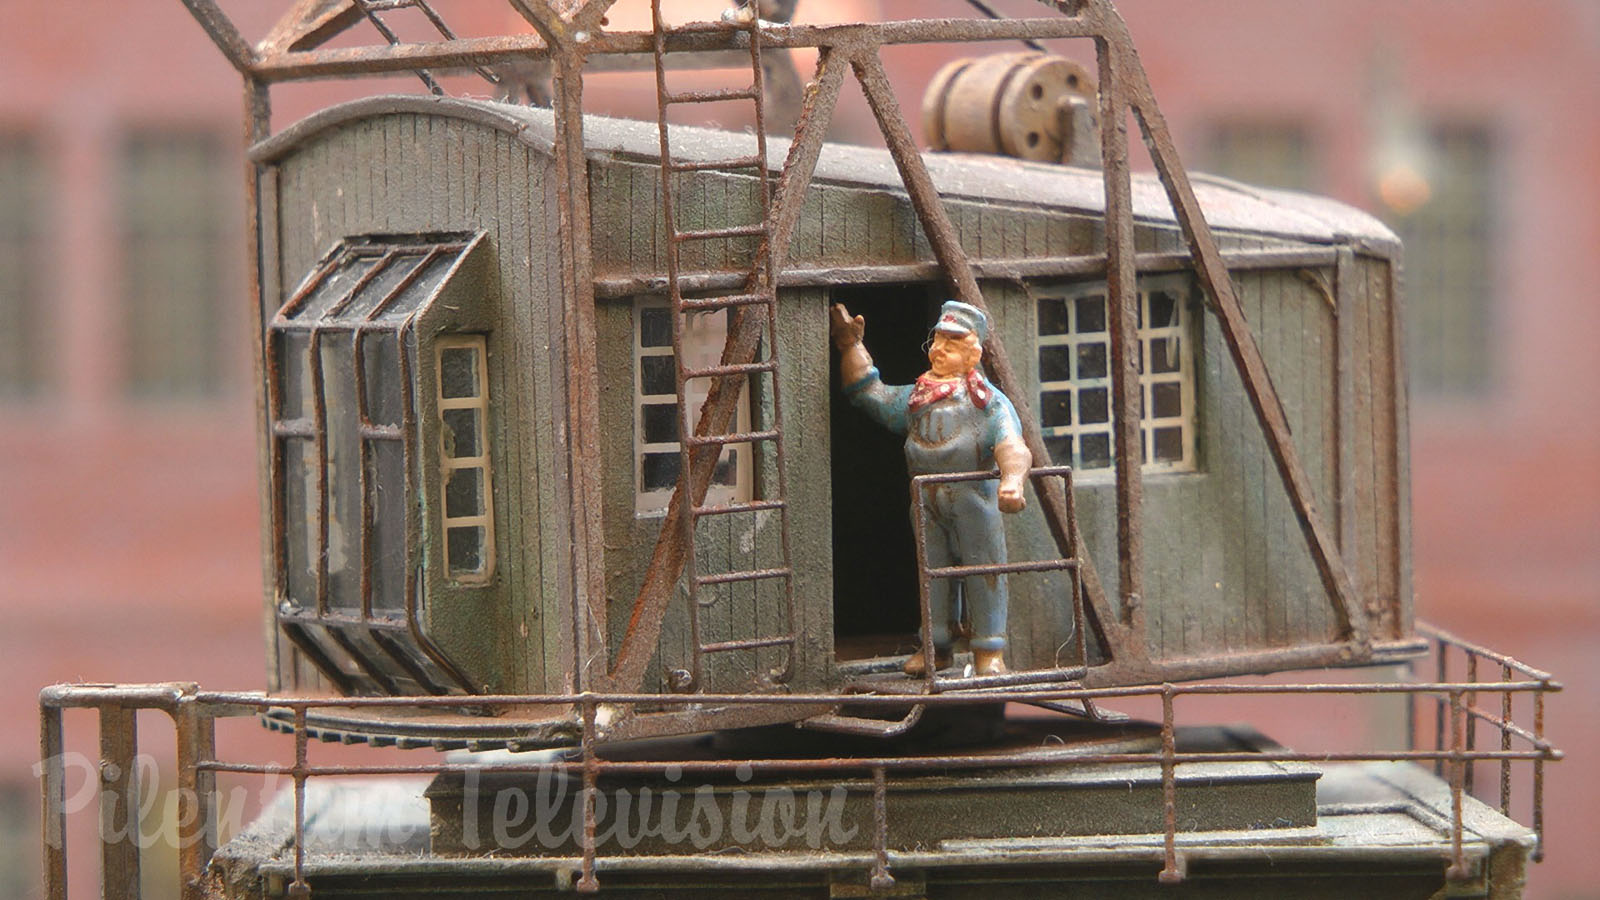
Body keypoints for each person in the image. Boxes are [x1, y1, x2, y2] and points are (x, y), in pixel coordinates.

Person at [831, 299, 1031, 676]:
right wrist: (850, 347)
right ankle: (935, 646)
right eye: (938, 340)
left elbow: (1012, 444)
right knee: (931, 571)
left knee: (983, 570)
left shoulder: (988, 403)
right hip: (925, 497)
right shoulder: (917, 398)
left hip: (973, 497)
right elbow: (869, 392)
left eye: (951, 343)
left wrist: (1012, 481)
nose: (939, 349)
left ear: (973, 352)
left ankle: (989, 652)